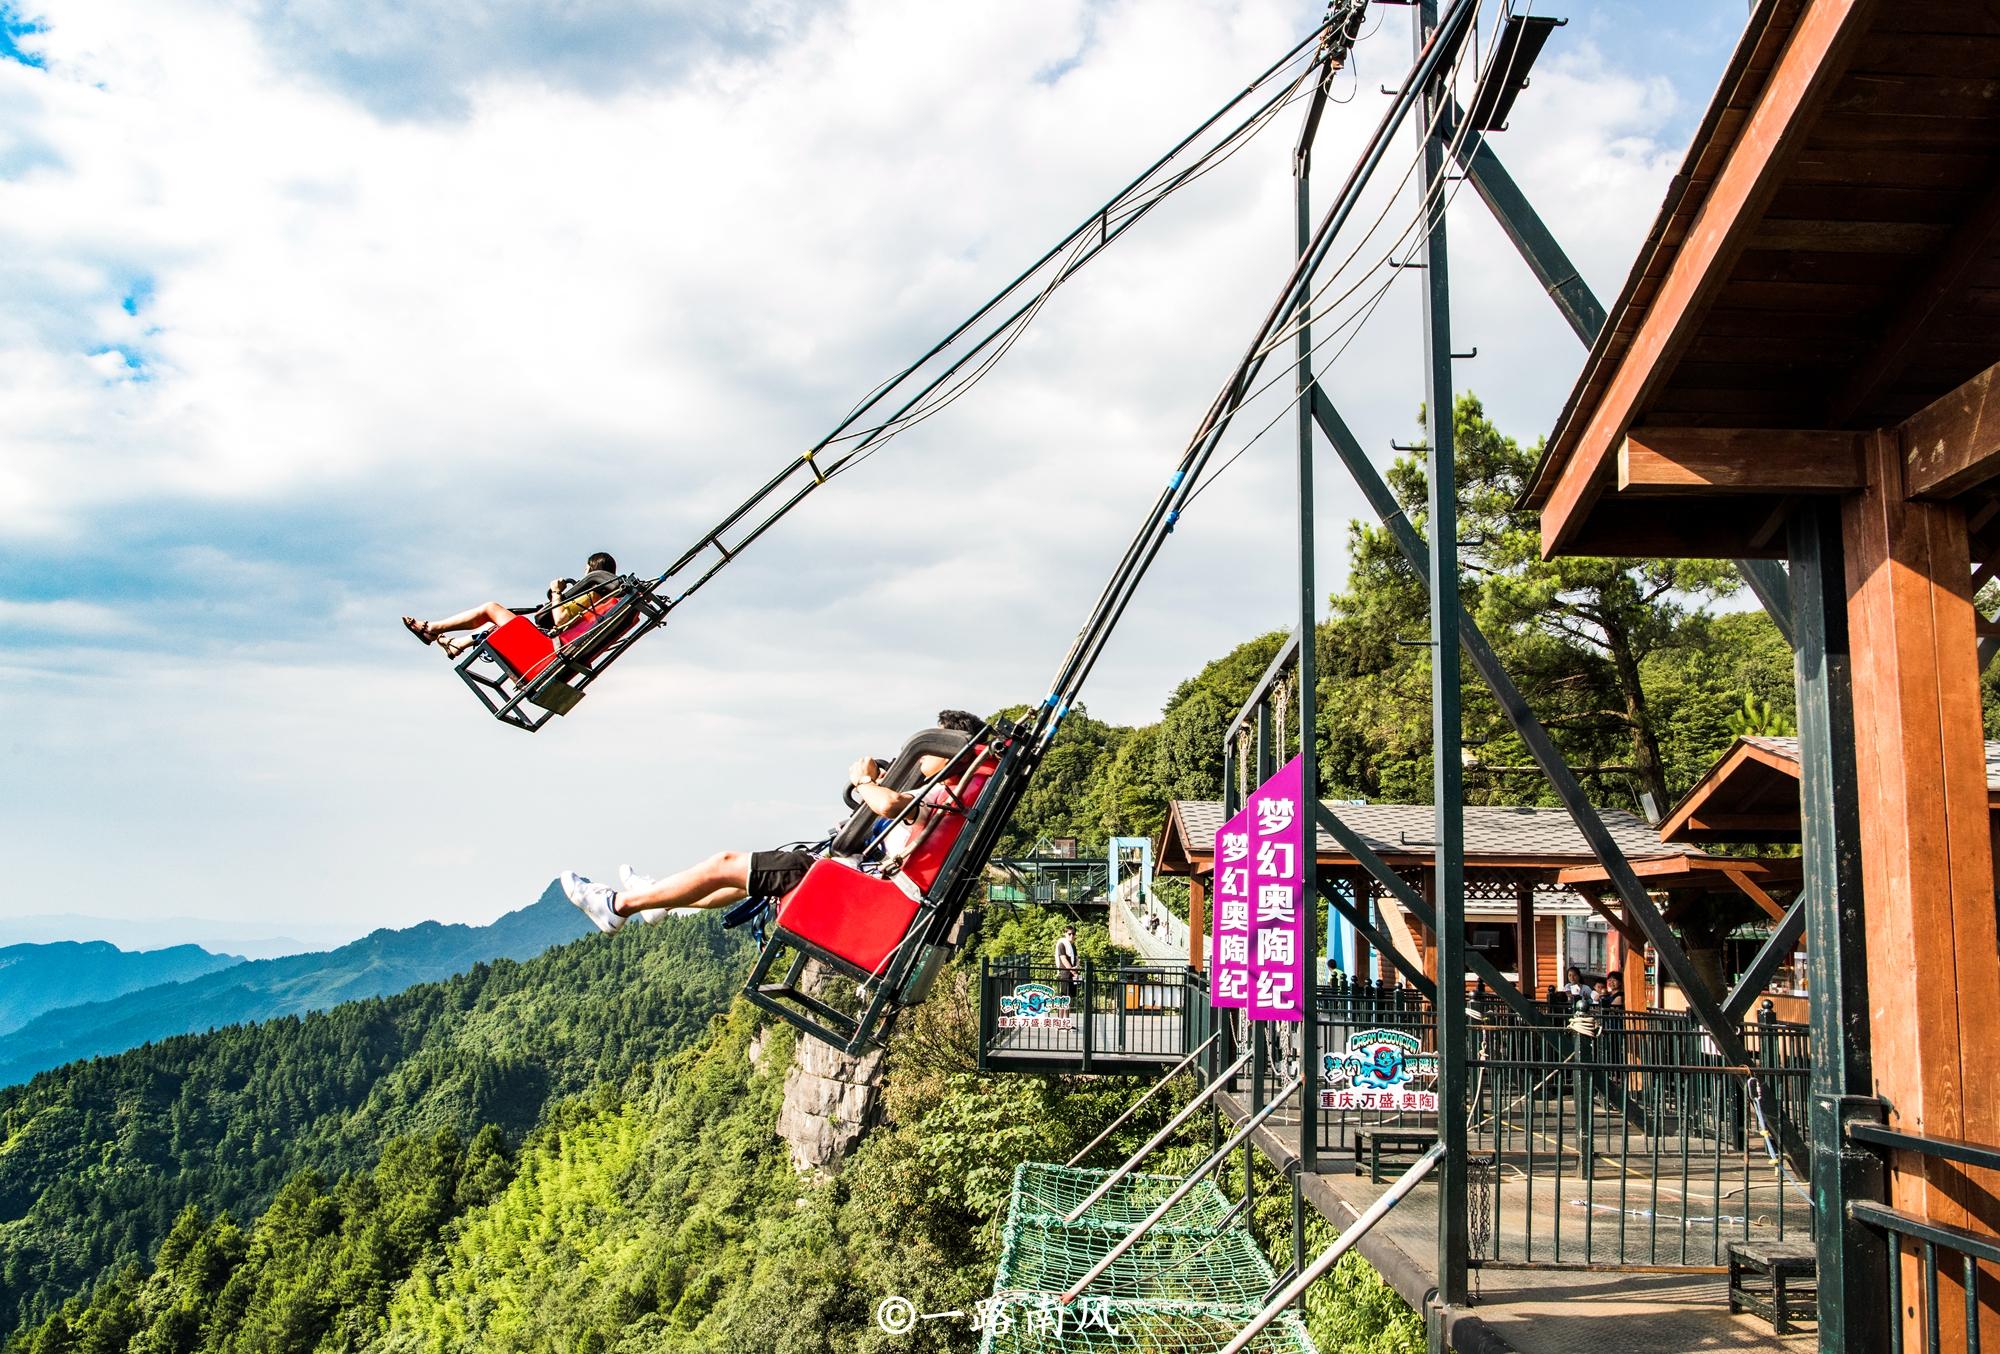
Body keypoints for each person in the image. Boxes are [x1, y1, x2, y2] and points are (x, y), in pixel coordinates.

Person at [560, 709, 988, 932]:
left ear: (948, 747)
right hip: (866, 880)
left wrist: (863, 783)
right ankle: (658, 901)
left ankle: (617, 906)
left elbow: (893, 806)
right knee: (734, 881)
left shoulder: (945, 790)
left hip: (857, 885)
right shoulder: (957, 792)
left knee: (725, 862)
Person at [402, 552, 621, 658]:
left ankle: (431, 629)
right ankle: (456, 643)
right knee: (503, 622)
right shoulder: (606, 601)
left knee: (491, 608)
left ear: (591, 570)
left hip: (548, 649)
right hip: (556, 648)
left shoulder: (592, 594)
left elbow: (561, 619)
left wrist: (556, 592)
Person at [1053, 924, 1080, 998]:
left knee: (1071, 997)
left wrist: (1077, 966)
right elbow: (1064, 959)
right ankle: (1063, 1010)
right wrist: (1073, 972)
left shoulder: (1073, 946)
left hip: (1073, 974)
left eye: (1073, 934)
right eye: (1069, 934)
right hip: (1065, 974)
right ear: (1065, 934)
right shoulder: (1061, 944)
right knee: (1064, 998)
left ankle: (1070, 1010)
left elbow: (1077, 958)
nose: (1071, 935)